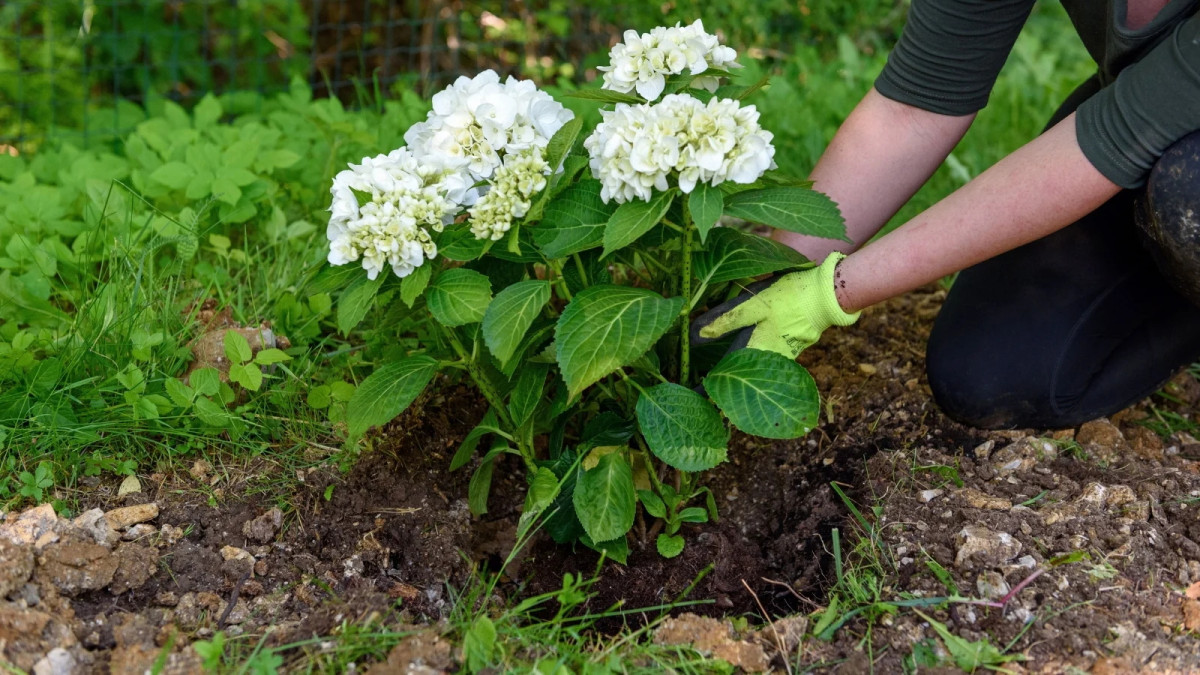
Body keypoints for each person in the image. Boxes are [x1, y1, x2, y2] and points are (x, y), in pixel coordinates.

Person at [694, 0, 1200, 430]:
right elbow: (916, 103)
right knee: (991, 372)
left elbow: (1111, 141)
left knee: (1187, 193)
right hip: (1147, 118)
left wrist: (828, 294)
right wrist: (769, 269)